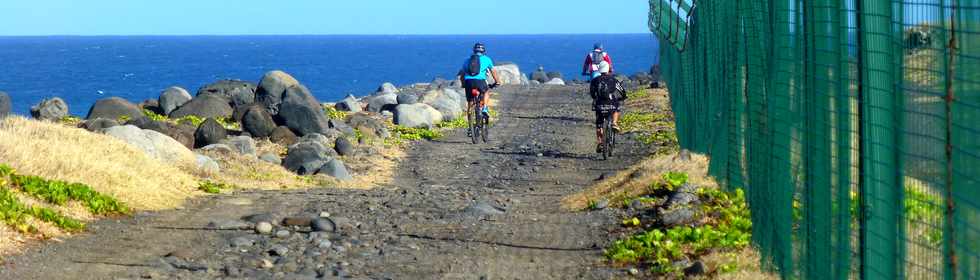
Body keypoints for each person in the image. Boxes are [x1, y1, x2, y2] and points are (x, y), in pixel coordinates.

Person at [457, 42, 501, 136]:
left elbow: (462, 74)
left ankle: (470, 128)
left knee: (470, 104)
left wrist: (463, 84)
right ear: (483, 51)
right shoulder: (487, 59)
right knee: (486, 91)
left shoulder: (467, 60)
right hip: (480, 81)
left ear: (474, 51)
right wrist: (497, 81)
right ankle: (484, 108)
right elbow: (493, 72)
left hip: (469, 82)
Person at [590, 61, 626, 153]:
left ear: (599, 70)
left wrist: (596, 98)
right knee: (616, 108)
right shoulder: (613, 80)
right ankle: (614, 123)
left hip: (599, 105)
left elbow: (592, 93)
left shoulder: (595, 80)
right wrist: (623, 97)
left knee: (599, 125)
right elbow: (622, 91)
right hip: (611, 104)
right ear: (608, 69)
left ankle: (600, 143)